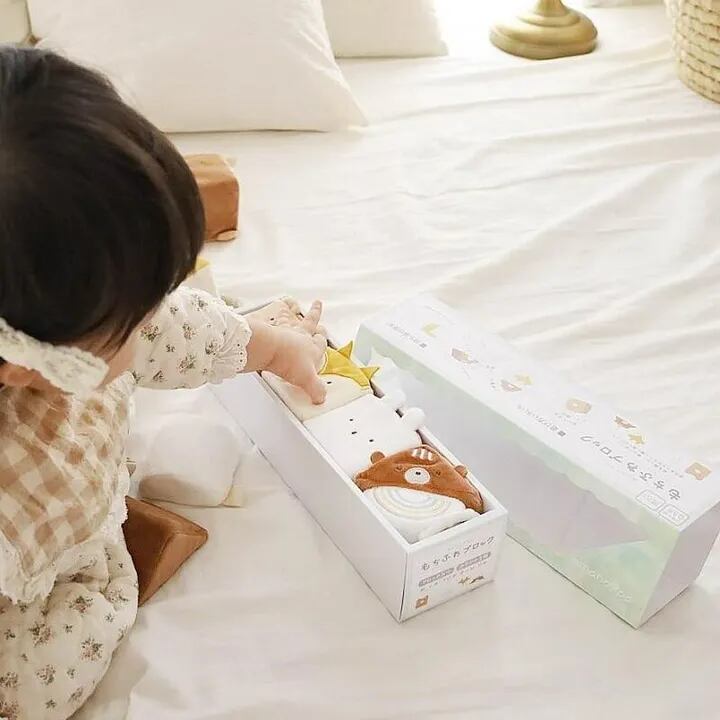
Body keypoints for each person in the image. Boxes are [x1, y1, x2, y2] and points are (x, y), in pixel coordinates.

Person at [0, 45, 326, 720]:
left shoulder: (62, 301)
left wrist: (273, 347)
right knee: (29, 687)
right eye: (132, 320)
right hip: (19, 572)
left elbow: (174, 328)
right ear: (26, 362)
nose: (154, 317)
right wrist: (100, 574)